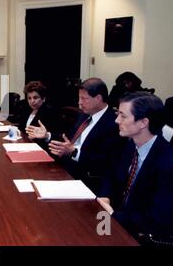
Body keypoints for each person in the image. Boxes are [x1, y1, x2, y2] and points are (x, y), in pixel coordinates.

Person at [98, 92, 173, 242]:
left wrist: (113, 215)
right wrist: (105, 196)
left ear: (143, 123)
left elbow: (157, 218)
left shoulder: (167, 161)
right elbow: (110, 176)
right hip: (113, 222)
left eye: (123, 116)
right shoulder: (129, 145)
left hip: (141, 235)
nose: (116, 120)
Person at [29, 78, 125, 193]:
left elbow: (106, 162)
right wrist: (47, 135)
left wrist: (74, 152)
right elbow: (68, 139)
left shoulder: (113, 123)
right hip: (64, 168)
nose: (79, 103)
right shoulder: (84, 115)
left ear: (98, 98)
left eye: (84, 99)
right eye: (79, 98)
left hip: (85, 179)